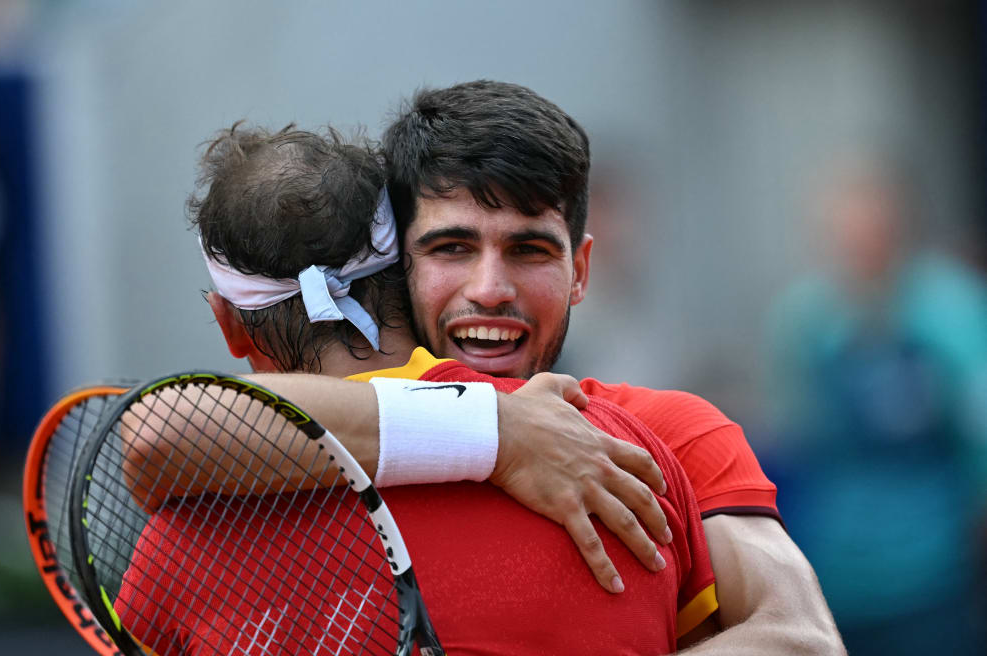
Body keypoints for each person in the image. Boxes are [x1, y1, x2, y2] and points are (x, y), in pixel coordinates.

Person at [133, 81, 844, 653]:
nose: (490, 288)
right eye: (451, 248)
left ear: (581, 269)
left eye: (530, 250)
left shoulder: (663, 434)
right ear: (397, 265)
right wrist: (497, 432)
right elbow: (157, 434)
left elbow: (803, 641)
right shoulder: (241, 462)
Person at [765, 156, 987, 654]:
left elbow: (980, 447)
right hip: (838, 573)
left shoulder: (951, 312)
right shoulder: (806, 319)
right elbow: (797, 442)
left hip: (932, 572)